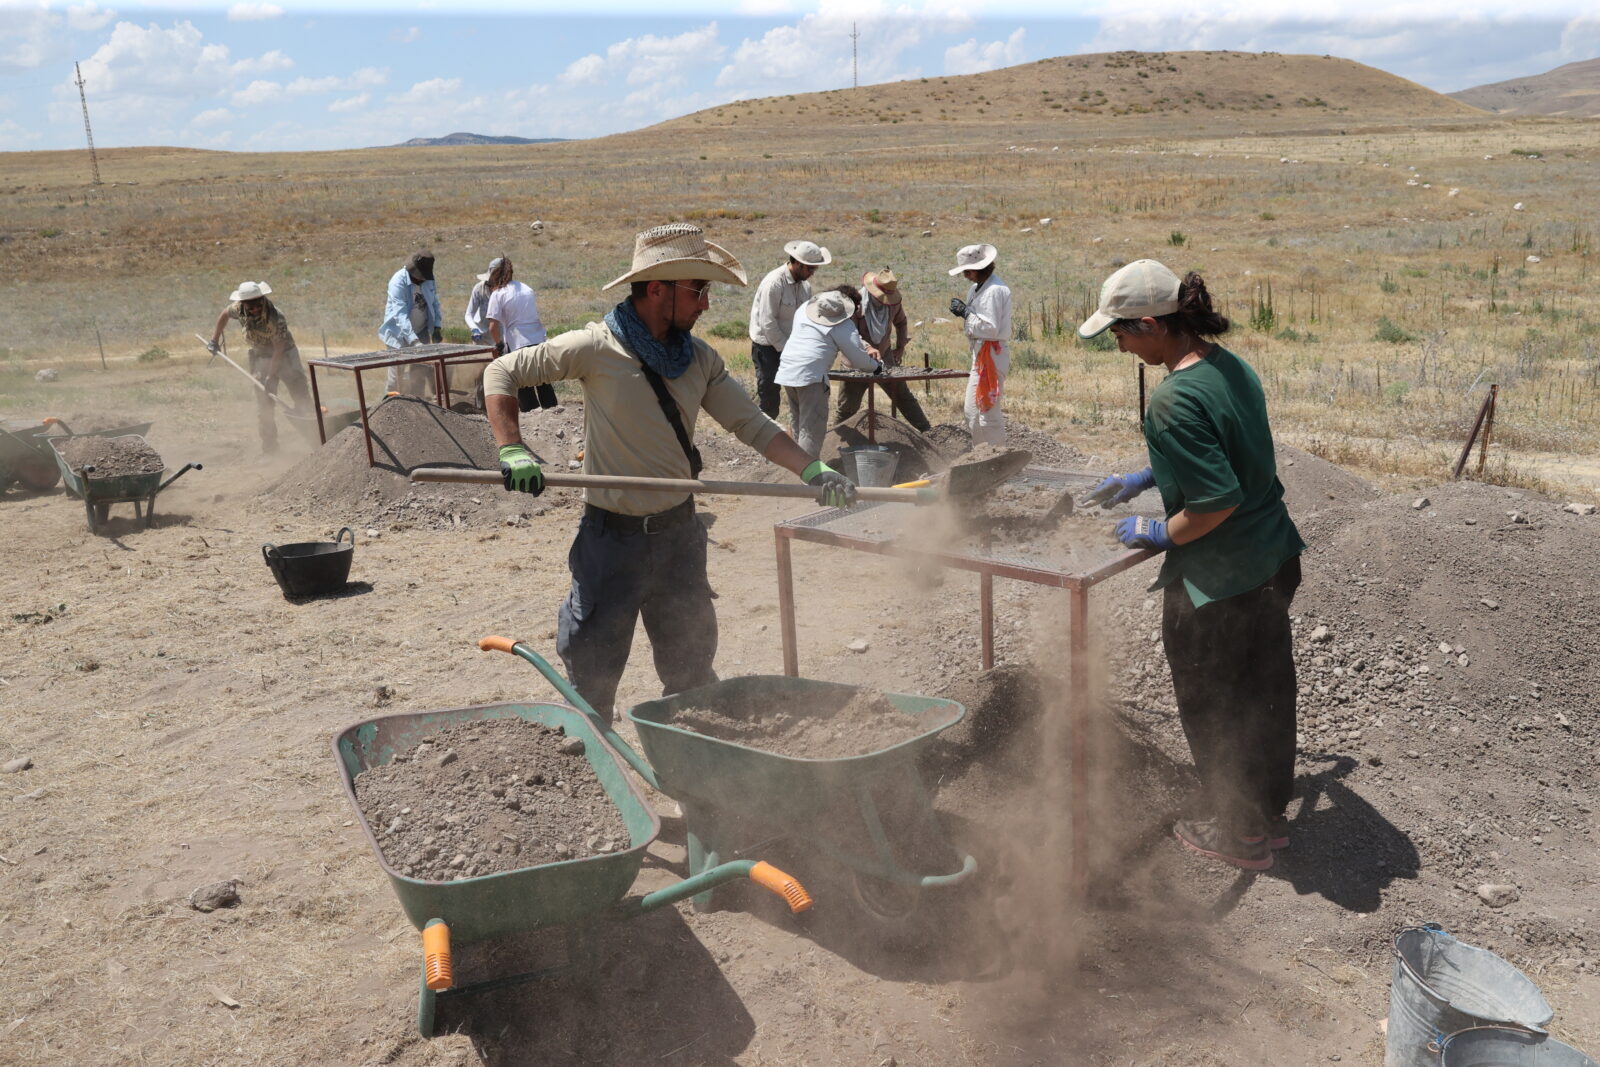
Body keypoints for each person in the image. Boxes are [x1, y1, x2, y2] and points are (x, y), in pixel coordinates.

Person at [481, 223, 858, 720]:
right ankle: (598, 764)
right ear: (658, 289)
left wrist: (812, 469)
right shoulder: (596, 347)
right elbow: (501, 371)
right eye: (698, 290)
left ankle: (692, 765)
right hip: (610, 542)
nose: (706, 304)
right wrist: (512, 448)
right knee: (591, 674)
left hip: (680, 537)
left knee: (691, 672)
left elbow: (752, 424)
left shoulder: (700, 359)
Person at [1078, 259, 1306, 871]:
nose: (1120, 345)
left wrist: (1158, 530)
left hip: (1218, 583)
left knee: (1213, 704)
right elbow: (1226, 448)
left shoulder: (1173, 399)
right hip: (1271, 560)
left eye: (1121, 333)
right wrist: (1147, 475)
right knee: (1264, 693)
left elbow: (1215, 499)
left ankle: (1239, 833)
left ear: (1151, 324)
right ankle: (1268, 817)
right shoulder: (1226, 365)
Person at [774, 287, 884, 459]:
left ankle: (795, 473)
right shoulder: (842, 323)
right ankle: (808, 479)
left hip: (788, 371)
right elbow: (858, 359)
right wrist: (876, 367)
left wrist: (864, 345)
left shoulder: (804, 309)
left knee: (798, 425)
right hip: (811, 376)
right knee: (811, 430)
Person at [206, 280, 313, 455]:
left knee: (301, 398)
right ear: (243, 303)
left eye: (257, 304)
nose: (255, 309)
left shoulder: (275, 318)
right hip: (260, 356)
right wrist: (214, 340)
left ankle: (317, 442)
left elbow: (278, 350)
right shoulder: (237, 308)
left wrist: (270, 377)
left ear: (262, 298)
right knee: (265, 406)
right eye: (250, 306)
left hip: (285, 356)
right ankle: (270, 450)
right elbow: (224, 314)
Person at [834, 268, 931, 433]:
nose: (885, 301)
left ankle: (929, 432)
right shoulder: (855, 304)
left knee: (903, 397)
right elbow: (849, 333)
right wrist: (867, 347)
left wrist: (900, 347)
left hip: (885, 359)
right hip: (856, 361)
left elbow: (901, 322)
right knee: (847, 408)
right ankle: (834, 440)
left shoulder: (893, 304)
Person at [748, 239, 829, 419]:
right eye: (810, 268)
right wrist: (787, 349)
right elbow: (767, 323)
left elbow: (805, 318)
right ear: (798, 263)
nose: (813, 273)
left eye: (815, 269)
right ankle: (765, 438)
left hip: (791, 346)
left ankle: (795, 437)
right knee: (769, 396)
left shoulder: (805, 287)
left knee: (799, 391)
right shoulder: (774, 283)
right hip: (768, 347)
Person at [947, 243, 1012, 447]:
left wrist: (966, 313)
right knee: (973, 412)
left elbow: (990, 328)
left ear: (977, 269)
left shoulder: (993, 290)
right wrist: (966, 312)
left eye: (967, 271)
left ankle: (997, 458)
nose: (965, 275)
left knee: (987, 411)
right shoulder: (978, 289)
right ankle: (983, 454)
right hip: (982, 353)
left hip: (991, 353)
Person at [378, 250, 442, 396]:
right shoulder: (397, 281)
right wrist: (413, 341)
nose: (423, 280)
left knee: (419, 372)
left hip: (422, 331)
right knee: (396, 376)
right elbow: (400, 314)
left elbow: (434, 303)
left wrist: (437, 326)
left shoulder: (429, 280)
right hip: (398, 335)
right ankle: (391, 405)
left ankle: (417, 406)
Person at [464, 259, 496, 343]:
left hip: (499, 335)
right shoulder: (479, 288)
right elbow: (468, 314)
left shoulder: (506, 290)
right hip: (481, 334)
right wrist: (474, 329)